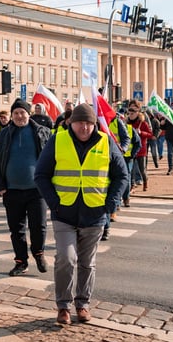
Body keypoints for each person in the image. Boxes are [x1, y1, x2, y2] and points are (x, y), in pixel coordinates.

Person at [34, 103, 129, 325]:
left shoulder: (106, 142)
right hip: (64, 212)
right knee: (66, 259)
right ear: (71, 123)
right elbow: (40, 174)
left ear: (94, 124)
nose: (84, 127)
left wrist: (110, 204)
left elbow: (122, 175)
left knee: (87, 262)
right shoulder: (58, 140)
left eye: (88, 123)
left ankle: (83, 304)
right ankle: (63, 306)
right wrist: (54, 202)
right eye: (79, 123)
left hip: (95, 213)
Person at [0, 98, 51, 276]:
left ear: (28, 113)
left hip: (37, 190)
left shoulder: (43, 132)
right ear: (11, 115)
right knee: (16, 230)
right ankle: (21, 261)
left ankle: (38, 253)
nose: (19, 116)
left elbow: (52, 158)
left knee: (39, 226)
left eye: (22, 112)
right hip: (11, 191)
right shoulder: (2, 136)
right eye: (15, 113)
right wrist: (0, 186)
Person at [126, 101, 152, 192]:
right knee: (131, 169)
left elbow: (150, 134)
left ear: (137, 113)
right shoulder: (127, 123)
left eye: (132, 113)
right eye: (129, 113)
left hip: (141, 150)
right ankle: (132, 185)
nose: (130, 115)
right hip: (130, 150)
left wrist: (141, 133)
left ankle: (145, 182)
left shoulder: (143, 123)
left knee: (142, 169)